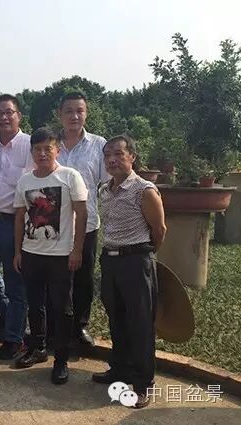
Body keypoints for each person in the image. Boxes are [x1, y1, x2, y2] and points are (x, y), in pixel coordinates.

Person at [92, 135, 166, 408]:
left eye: (118, 154)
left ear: (132, 157)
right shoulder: (104, 190)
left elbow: (159, 230)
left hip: (136, 262)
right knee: (117, 319)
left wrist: (143, 255)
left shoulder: (144, 190)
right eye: (107, 155)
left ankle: (143, 382)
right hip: (110, 261)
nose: (112, 160)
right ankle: (119, 369)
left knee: (140, 323)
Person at [12, 127, 87, 384]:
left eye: (48, 148)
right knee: (35, 304)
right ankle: (38, 348)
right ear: (32, 152)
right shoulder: (25, 181)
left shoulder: (70, 176)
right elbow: (19, 217)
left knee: (62, 308)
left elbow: (82, 214)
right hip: (31, 253)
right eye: (37, 149)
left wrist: (77, 250)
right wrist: (18, 251)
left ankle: (61, 360)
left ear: (57, 150)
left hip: (61, 256)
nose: (42, 154)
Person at [0, 94, 33, 359]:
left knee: (15, 282)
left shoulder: (30, 146)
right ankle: (10, 318)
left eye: (8, 112)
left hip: (15, 223)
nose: (4, 117)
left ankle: (14, 338)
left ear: (18, 116)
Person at [56, 92, 109, 346]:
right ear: (60, 115)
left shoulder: (98, 145)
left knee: (83, 278)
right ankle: (57, 327)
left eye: (79, 110)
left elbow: (107, 184)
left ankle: (80, 326)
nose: (74, 116)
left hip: (86, 224)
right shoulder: (51, 145)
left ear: (86, 114)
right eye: (69, 111)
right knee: (57, 278)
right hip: (54, 225)